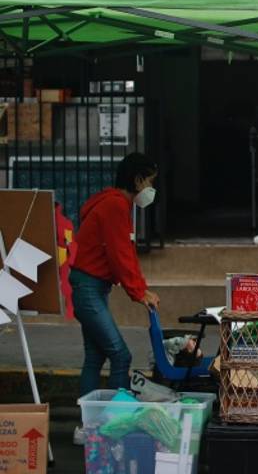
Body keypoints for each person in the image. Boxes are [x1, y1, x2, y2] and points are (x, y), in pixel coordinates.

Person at [70, 153, 159, 444]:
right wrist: (138, 292)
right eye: (149, 181)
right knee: (120, 355)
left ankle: (88, 428)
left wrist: (140, 288)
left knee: (95, 357)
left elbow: (125, 254)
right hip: (89, 288)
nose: (150, 188)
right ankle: (113, 426)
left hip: (91, 287)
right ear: (136, 180)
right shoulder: (116, 206)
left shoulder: (112, 203)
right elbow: (120, 254)